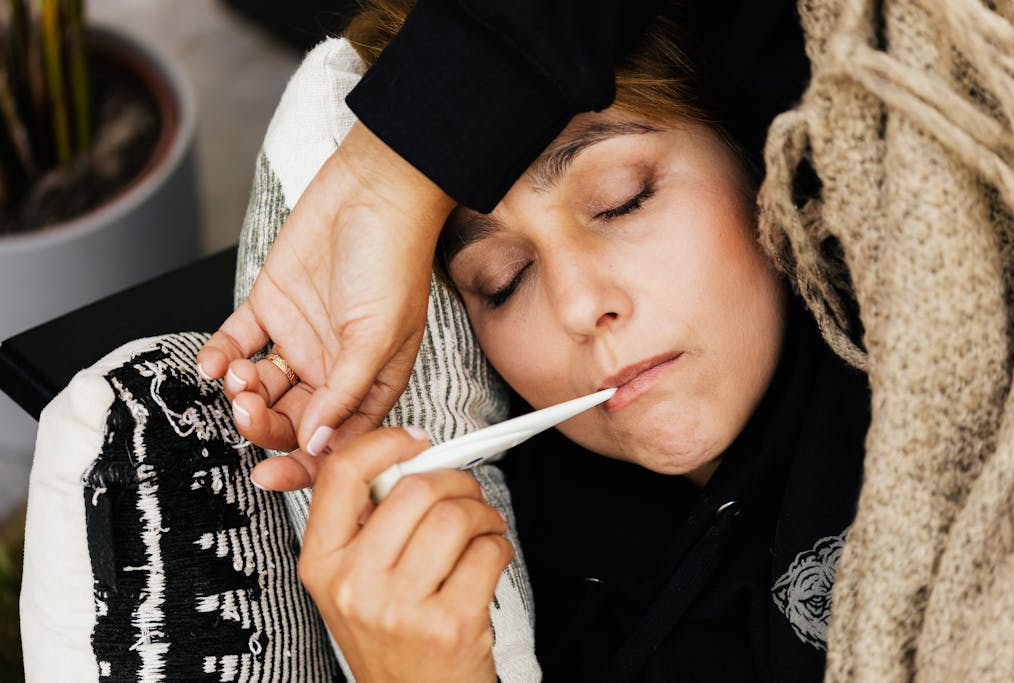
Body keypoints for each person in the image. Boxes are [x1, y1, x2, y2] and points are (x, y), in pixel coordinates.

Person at [212, 1, 870, 680]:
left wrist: (389, 172)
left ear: (754, 148)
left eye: (622, 199)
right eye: (503, 280)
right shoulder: (508, 574)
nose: (580, 305)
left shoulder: (903, 301)